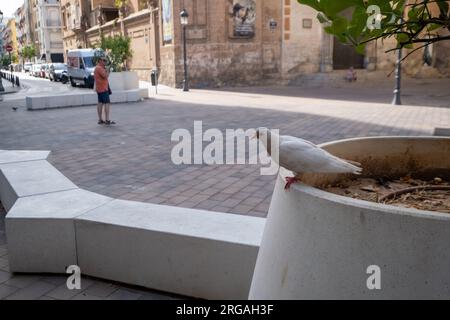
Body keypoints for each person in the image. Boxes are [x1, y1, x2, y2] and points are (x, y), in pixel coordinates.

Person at [94, 57, 115, 125]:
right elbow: (105, 76)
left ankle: (100, 119)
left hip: (99, 88)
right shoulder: (99, 68)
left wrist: (106, 69)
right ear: (100, 61)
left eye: (106, 60)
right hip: (103, 89)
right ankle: (107, 120)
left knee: (100, 103)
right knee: (107, 103)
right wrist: (108, 70)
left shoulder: (98, 68)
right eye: (104, 60)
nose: (105, 62)